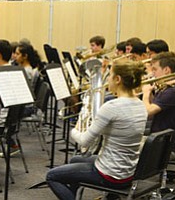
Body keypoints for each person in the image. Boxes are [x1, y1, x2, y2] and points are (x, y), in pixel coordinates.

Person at [46, 59, 148, 200]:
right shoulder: (141, 104)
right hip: (128, 172)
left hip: (109, 174)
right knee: (75, 159)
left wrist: (74, 129)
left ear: (117, 79)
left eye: (110, 76)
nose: (108, 80)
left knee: (52, 176)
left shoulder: (112, 107)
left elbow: (84, 142)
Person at [142, 52, 175, 139]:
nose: (152, 73)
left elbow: (147, 112)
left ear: (166, 70)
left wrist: (145, 93)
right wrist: (150, 94)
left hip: (161, 143)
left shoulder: (172, 92)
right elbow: (153, 109)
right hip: (157, 139)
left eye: (155, 69)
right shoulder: (165, 88)